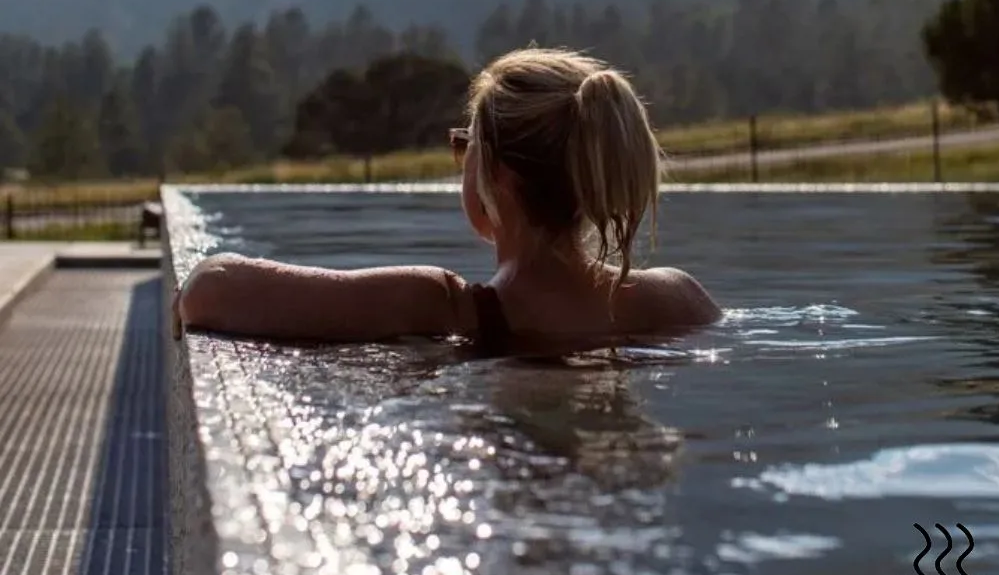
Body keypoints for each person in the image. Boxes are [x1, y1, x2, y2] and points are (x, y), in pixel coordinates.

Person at [175, 47, 719, 351]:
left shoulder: (443, 306)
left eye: (467, 148)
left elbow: (208, 288)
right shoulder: (675, 299)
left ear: (497, 174)